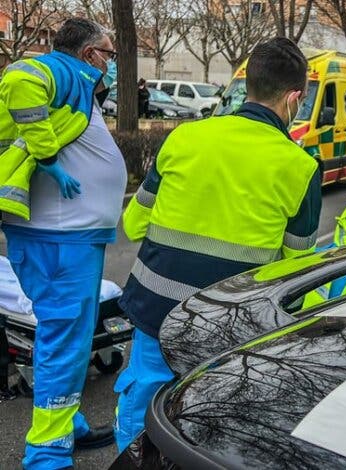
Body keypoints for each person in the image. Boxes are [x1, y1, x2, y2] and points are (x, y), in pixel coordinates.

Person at [114, 37, 322, 451]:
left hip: (155, 310)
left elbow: (135, 224)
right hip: (231, 326)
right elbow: (297, 267)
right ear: (294, 97)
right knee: (213, 426)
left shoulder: (184, 138)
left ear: (247, 85)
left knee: (140, 410)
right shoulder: (302, 167)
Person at [0, 17, 126, 468]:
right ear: (90, 53)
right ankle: (46, 454)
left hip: (69, 235)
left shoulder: (76, 86)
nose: (111, 63)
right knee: (64, 339)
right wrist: (49, 159)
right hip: (60, 236)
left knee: (71, 335)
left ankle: (66, 421)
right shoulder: (61, 70)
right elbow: (19, 76)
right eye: (109, 54)